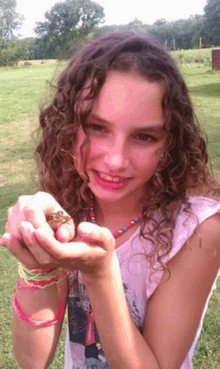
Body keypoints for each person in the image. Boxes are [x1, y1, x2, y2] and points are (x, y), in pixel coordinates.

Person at [0, 31, 220, 369]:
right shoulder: (68, 207)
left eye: (144, 136)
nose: (116, 160)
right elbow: (32, 361)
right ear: (67, 126)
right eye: (96, 127)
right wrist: (38, 264)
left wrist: (100, 272)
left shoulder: (197, 230)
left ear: (171, 143)